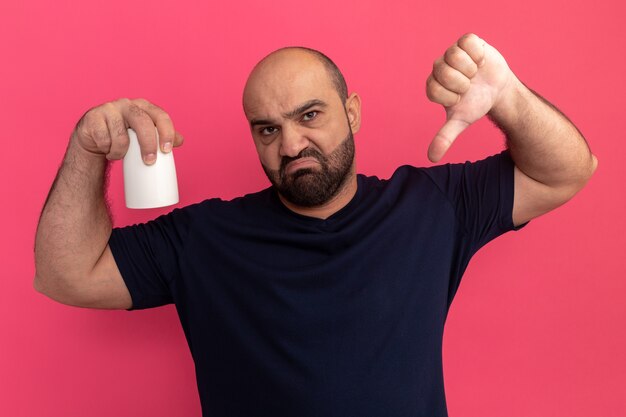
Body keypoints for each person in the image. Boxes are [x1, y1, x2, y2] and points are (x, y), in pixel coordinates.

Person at [34, 33, 597, 416]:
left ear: (350, 111)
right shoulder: (203, 239)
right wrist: (87, 148)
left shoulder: (432, 204)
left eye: (309, 115)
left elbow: (567, 172)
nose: (292, 144)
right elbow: (65, 274)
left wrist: (511, 101)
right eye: (267, 129)